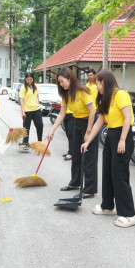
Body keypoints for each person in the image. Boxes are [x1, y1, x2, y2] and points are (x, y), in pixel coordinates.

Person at [81, 70, 135, 228]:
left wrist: (122, 139)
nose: (97, 86)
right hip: (111, 136)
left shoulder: (120, 94)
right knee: (107, 172)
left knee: (120, 175)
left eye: (98, 83)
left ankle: (129, 214)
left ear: (104, 82)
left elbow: (128, 117)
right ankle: (108, 206)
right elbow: (99, 123)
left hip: (122, 135)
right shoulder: (105, 98)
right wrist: (88, 141)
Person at [47, 67, 98, 198]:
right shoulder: (66, 93)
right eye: (59, 82)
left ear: (70, 79)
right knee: (76, 154)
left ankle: (90, 189)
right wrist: (51, 131)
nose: (61, 84)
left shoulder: (82, 91)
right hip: (77, 122)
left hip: (90, 123)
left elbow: (92, 111)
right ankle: (75, 183)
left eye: (62, 81)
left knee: (89, 157)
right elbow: (61, 114)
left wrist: (89, 131)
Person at [19, 72, 43, 150]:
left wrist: (38, 105)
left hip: (36, 110)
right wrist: (23, 112)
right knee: (26, 128)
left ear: (33, 79)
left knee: (40, 126)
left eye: (31, 79)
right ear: (25, 79)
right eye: (28, 79)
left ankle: (39, 142)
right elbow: (21, 100)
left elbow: (37, 97)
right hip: (27, 110)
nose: (29, 81)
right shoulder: (23, 88)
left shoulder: (35, 86)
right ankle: (25, 143)